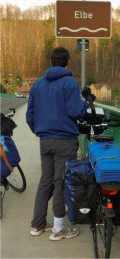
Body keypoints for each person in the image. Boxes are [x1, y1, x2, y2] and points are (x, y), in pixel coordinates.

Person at [26, 47, 89, 241]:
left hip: (45, 140)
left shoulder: (37, 84)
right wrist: (85, 103)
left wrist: (41, 131)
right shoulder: (70, 83)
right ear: (67, 62)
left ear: (51, 61)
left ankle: (38, 225)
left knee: (46, 181)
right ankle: (59, 228)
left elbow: (30, 116)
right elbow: (75, 111)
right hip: (65, 140)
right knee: (60, 182)